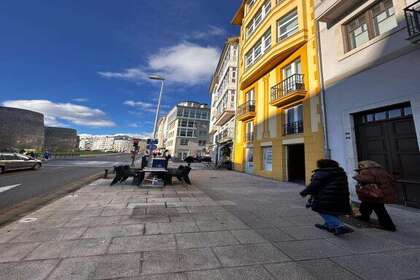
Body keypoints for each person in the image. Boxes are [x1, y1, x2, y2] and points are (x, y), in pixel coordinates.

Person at [300, 159, 353, 235]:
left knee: (322, 210)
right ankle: (328, 225)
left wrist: (304, 192)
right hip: (340, 196)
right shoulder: (340, 172)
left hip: (327, 196)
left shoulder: (322, 173)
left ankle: (339, 226)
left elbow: (314, 185)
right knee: (332, 211)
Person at [353, 160, 397, 231]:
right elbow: (391, 179)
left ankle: (388, 226)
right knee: (365, 204)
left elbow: (366, 179)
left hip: (374, 193)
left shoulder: (367, 171)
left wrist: (357, 177)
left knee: (380, 209)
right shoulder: (381, 170)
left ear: (366, 165)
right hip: (382, 191)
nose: (360, 167)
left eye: (361, 165)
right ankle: (364, 216)